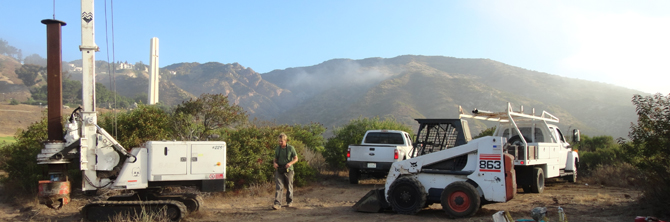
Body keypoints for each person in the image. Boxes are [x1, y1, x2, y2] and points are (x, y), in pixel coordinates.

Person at [272, 133, 298, 210]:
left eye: (281, 141)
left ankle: (289, 202)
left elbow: (296, 158)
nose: (280, 143)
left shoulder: (291, 148)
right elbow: (275, 159)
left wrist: (290, 163)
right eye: (279, 141)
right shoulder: (277, 148)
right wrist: (274, 163)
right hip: (279, 169)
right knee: (279, 186)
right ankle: (277, 204)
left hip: (289, 170)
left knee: (289, 186)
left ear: (285, 140)